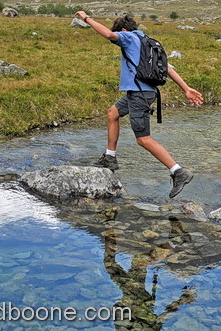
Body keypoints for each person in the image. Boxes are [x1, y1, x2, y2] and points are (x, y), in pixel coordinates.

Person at [75, 11, 204, 198]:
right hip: (140, 92)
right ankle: (110, 157)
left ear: (124, 30)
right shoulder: (147, 41)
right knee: (113, 113)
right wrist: (186, 88)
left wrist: (86, 19)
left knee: (143, 139)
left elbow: (109, 35)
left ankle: (178, 171)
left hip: (139, 94)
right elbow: (166, 68)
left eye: (120, 33)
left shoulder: (127, 37)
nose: (119, 38)